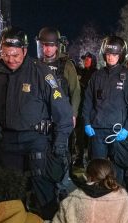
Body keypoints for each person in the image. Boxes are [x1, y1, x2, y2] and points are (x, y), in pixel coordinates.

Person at [0, 26, 73, 217]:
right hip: (7, 141)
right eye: (6, 54)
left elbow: (62, 110)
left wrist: (60, 142)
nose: (10, 59)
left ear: (25, 51)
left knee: (43, 189)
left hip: (36, 139)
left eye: (15, 54)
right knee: (9, 194)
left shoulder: (41, 72)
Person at [81, 35, 128, 185]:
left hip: (118, 131)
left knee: (118, 173)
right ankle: (98, 198)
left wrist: (127, 128)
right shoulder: (96, 76)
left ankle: (118, 199)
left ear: (121, 55)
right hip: (98, 130)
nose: (111, 57)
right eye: (108, 54)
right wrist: (86, 122)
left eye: (115, 54)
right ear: (104, 54)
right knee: (98, 171)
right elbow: (87, 102)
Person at [36, 27, 81, 200]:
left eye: (51, 45)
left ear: (57, 46)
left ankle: (62, 185)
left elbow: (75, 91)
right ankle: (46, 183)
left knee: (62, 151)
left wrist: (73, 114)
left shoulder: (66, 65)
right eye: (44, 45)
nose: (47, 49)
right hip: (42, 116)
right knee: (43, 151)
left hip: (62, 117)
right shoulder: (36, 65)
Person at [74, 51, 98, 167]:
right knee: (79, 135)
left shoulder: (96, 74)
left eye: (88, 59)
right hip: (80, 108)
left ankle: (91, 160)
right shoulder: (81, 72)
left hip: (92, 110)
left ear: (93, 61)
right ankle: (79, 158)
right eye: (85, 59)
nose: (86, 61)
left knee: (90, 136)